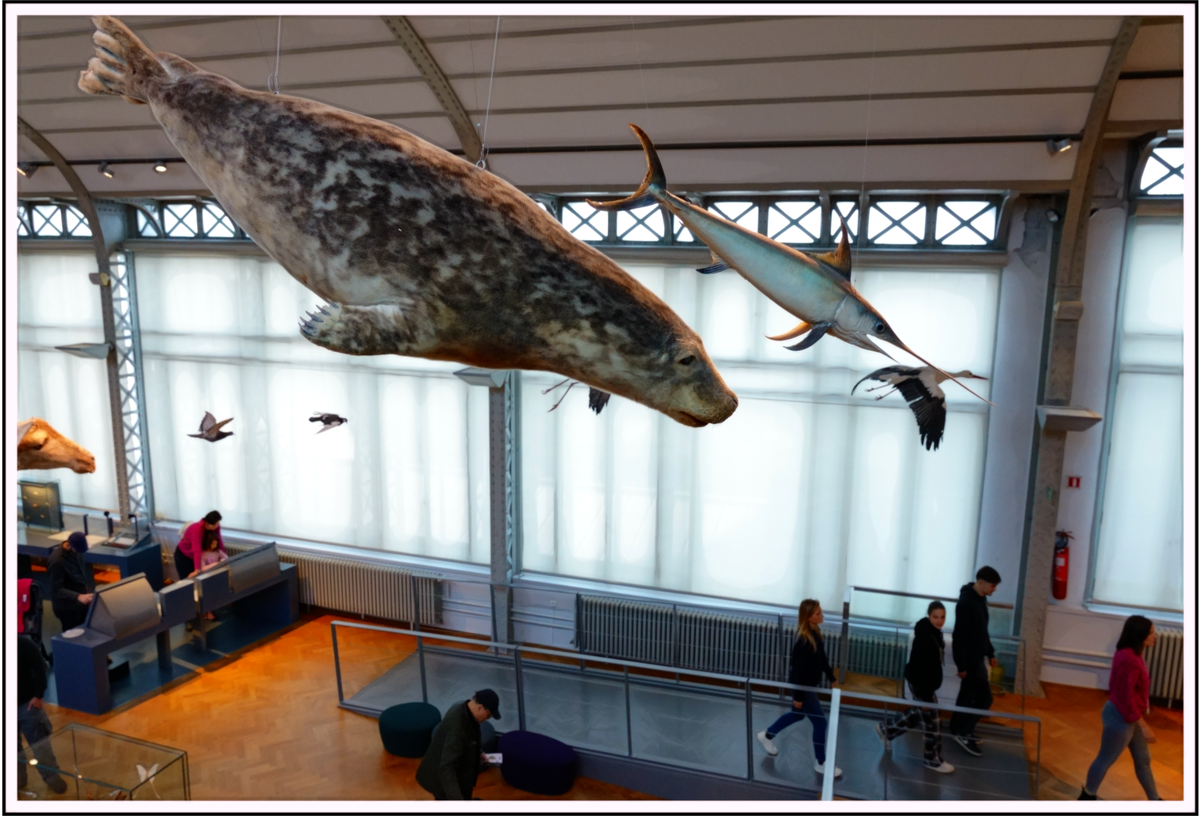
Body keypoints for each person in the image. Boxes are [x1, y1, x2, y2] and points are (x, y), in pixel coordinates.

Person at [755, 599, 842, 778]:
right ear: (808, 617)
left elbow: (822, 659)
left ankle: (767, 735)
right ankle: (821, 763)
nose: (822, 615)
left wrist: (831, 676)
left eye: (821, 612)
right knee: (820, 722)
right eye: (818, 613)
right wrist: (799, 697)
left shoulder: (815, 633)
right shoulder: (803, 641)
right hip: (802, 686)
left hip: (804, 686)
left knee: (797, 715)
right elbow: (798, 672)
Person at [1078, 616, 1161, 800]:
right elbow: (1125, 698)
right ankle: (1087, 796)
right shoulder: (1129, 659)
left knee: (1143, 759)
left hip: (1130, 716)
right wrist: (1144, 726)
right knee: (1105, 759)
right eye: (1151, 633)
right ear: (1139, 635)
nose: (1155, 636)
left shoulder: (1134, 653)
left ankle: (1155, 799)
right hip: (1120, 718)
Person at [877, 601, 954, 773]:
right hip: (921, 685)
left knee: (922, 715)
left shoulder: (933, 632)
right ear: (929, 616)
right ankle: (932, 759)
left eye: (942, 617)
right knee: (933, 721)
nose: (939, 621)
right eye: (935, 617)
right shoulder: (925, 637)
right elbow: (923, 669)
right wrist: (926, 698)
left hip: (922, 683)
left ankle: (886, 730)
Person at [948, 565, 1001, 757]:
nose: (994, 589)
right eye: (992, 586)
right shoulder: (966, 603)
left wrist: (990, 653)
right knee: (985, 698)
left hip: (977, 658)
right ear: (981, 582)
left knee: (966, 696)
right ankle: (964, 733)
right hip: (971, 661)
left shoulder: (980, 599)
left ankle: (956, 728)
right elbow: (959, 636)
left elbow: (982, 631)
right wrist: (961, 665)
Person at [416, 689, 501, 800]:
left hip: (455, 775)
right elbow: (447, 769)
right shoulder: (457, 728)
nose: (487, 719)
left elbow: (468, 738)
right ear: (480, 707)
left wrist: (478, 752)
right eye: (488, 715)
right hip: (445, 784)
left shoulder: (463, 707)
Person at [18, 632, 68, 795]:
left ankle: (51, 777)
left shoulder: (22, 644)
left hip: (28, 706)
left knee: (41, 746)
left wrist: (38, 695)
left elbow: (41, 667)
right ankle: (17, 780)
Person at [47, 531, 94, 631]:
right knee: (73, 634)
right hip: (67, 608)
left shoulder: (78, 552)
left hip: (81, 603)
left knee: (86, 631)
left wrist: (84, 592)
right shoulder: (57, 561)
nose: (79, 553)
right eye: (77, 551)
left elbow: (80, 571)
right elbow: (56, 590)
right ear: (68, 545)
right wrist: (78, 596)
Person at [175, 511, 226, 584]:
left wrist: (223, 557)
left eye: (218, 523)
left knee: (199, 581)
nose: (217, 526)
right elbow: (197, 550)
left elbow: (219, 541)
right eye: (215, 524)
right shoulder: (197, 528)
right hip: (184, 556)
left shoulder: (215, 527)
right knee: (187, 582)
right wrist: (197, 569)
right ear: (208, 523)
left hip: (195, 557)